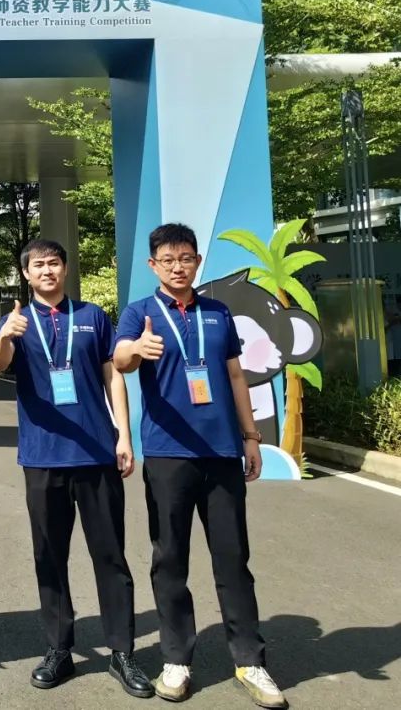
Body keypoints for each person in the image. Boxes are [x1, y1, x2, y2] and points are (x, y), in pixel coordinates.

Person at [113, 223, 287, 709]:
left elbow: (235, 375)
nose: (178, 267)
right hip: (168, 455)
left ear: (197, 262)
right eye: (168, 260)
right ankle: (176, 659)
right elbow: (121, 359)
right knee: (170, 559)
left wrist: (251, 437)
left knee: (233, 559)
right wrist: (136, 350)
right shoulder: (140, 313)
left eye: (186, 258)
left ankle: (250, 660)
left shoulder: (218, 312)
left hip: (222, 453)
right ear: (153, 265)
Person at [0, 239, 153, 698]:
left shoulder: (93, 316)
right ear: (26, 274)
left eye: (54, 263)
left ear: (64, 269)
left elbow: (113, 375)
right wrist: (6, 335)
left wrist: (124, 435)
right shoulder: (18, 320)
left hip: (97, 454)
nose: (47, 270)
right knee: (50, 556)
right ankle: (58, 649)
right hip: (43, 457)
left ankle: (122, 652)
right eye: (38, 265)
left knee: (111, 556)